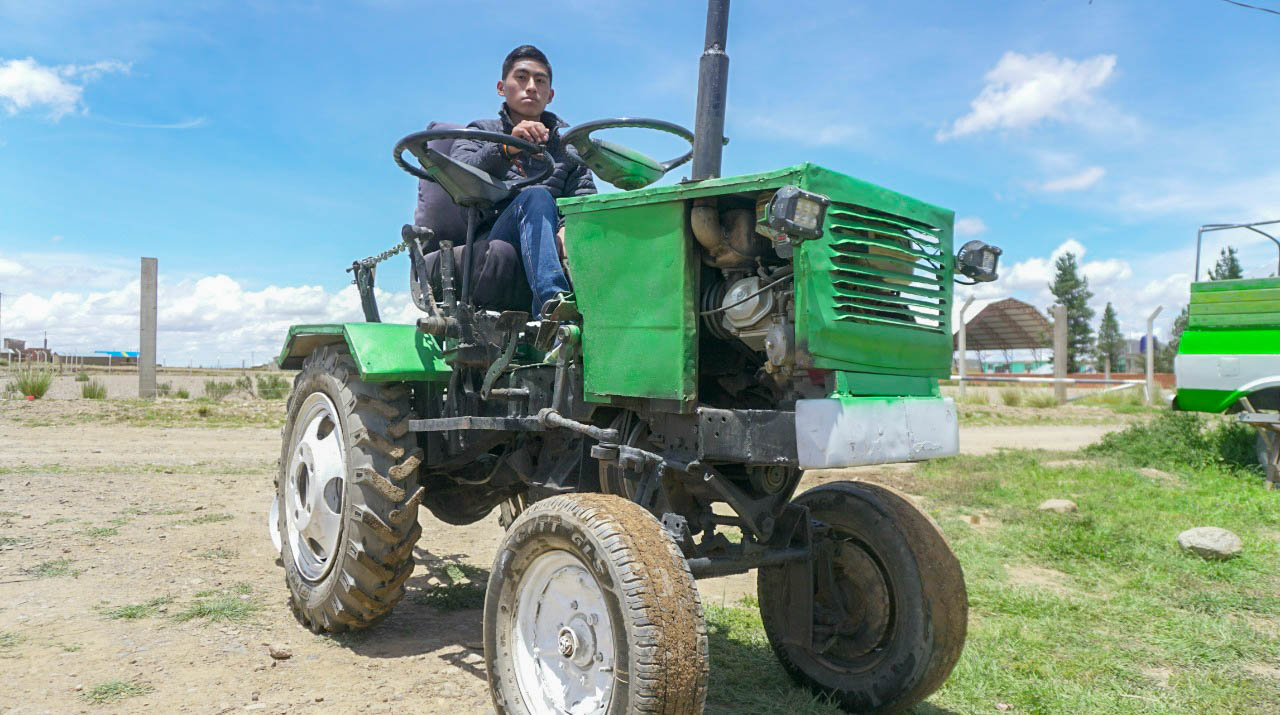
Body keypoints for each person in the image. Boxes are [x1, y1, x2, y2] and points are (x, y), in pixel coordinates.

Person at [449, 44, 596, 318]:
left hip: (554, 237)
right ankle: (552, 310)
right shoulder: (481, 132)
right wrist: (506, 147)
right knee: (538, 196)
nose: (531, 87)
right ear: (501, 87)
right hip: (498, 231)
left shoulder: (569, 149)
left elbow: (583, 201)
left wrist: (567, 229)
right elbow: (458, 176)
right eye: (521, 77)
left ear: (550, 95)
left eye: (540, 81)